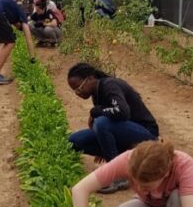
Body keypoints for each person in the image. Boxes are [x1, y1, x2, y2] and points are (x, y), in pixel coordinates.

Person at [67, 63, 159, 193]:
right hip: (124, 133)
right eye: (75, 90)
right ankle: (118, 159)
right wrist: (104, 143)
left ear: (90, 79)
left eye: (79, 87)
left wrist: (96, 111)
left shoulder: (109, 85)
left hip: (145, 135)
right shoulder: (97, 92)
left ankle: (117, 175)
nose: (78, 93)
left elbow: (122, 112)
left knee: (101, 123)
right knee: (74, 141)